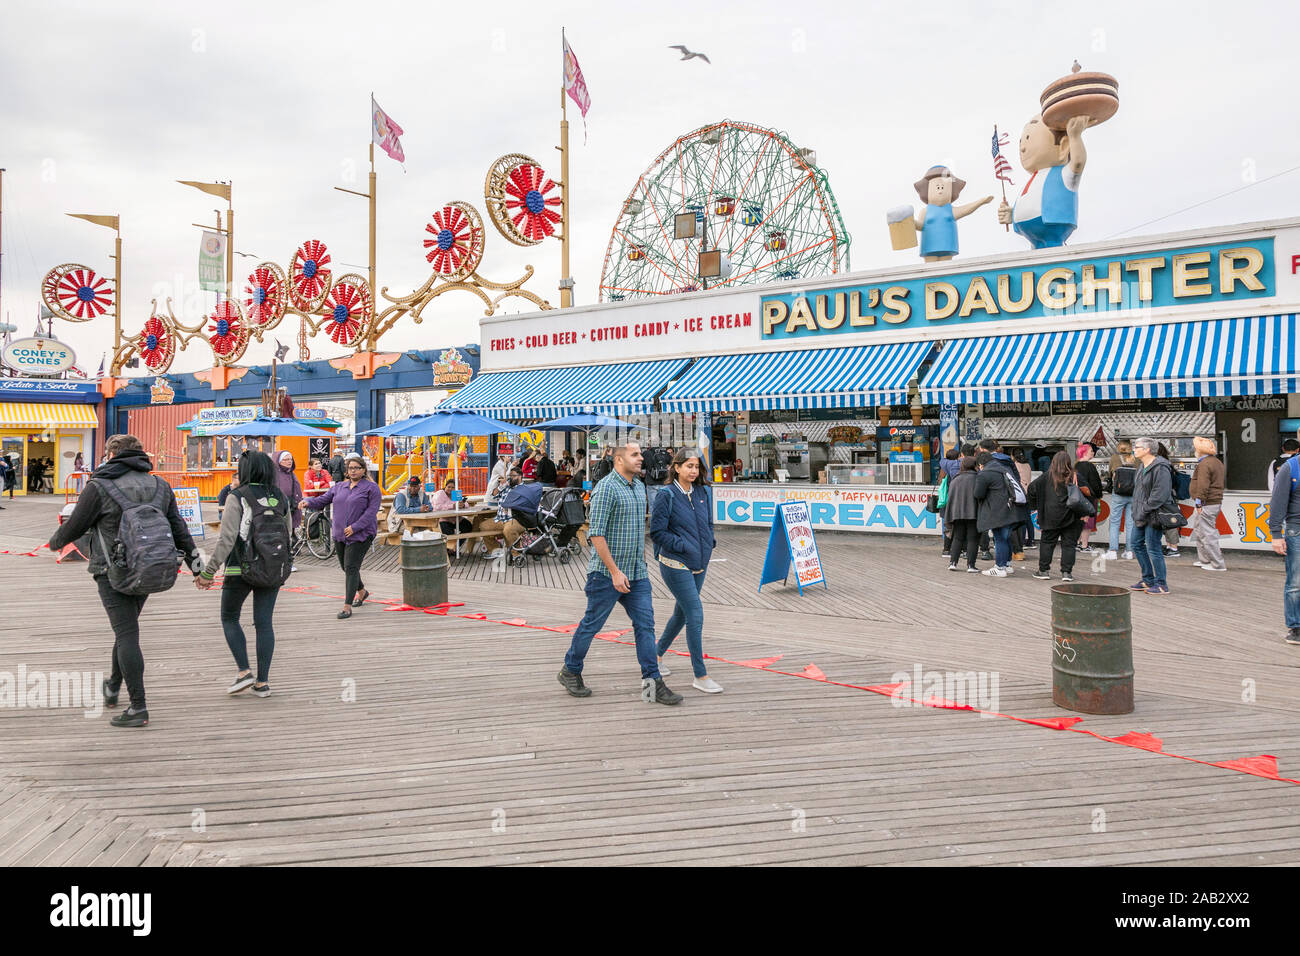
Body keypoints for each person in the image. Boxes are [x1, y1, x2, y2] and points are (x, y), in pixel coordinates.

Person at [47, 434, 202, 728]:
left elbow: (75, 525)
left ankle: (138, 707)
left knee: (127, 633)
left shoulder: (99, 486)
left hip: (111, 571)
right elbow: (180, 530)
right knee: (126, 629)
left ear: (113, 454)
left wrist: (54, 543)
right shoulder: (160, 486)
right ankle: (113, 686)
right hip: (150, 567)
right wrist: (197, 568)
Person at [557, 442, 681, 704]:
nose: (641, 459)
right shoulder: (606, 489)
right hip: (606, 573)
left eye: (639, 454)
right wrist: (614, 572)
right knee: (592, 624)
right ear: (618, 460)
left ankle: (652, 683)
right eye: (635, 455)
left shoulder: (638, 486)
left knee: (645, 626)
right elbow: (596, 534)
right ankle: (571, 669)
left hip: (637, 572)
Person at [195, 450, 288, 699]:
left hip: (239, 567)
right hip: (272, 568)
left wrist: (208, 571)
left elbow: (227, 539)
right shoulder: (280, 496)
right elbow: (289, 534)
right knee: (264, 622)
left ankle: (244, 671)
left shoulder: (238, 496)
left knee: (229, 617)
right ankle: (263, 683)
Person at [650, 449, 720, 693]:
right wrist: (683, 546)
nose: (693, 471)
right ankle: (700, 675)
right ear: (676, 467)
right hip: (674, 562)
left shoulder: (703, 492)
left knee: (681, 614)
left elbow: (709, 523)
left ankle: (656, 656)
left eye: (697, 466)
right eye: (689, 466)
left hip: (700, 562)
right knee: (695, 613)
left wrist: (709, 542)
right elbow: (657, 532)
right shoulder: (666, 495)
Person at [303, 452, 381, 619]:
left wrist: (355, 527)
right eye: (350, 468)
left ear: (363, 469)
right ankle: (362, 591)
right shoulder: (339, 487)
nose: (353, 471)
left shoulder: (371, 488)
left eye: (356, 468)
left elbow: (371, 512)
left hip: (361, 534)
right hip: (339, 533)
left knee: (351, 567)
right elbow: (322, 500)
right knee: (346, 567)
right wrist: (308, 501)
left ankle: (347, 606)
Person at [1028, 452, 1084, 582]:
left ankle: (1044, 570)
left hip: (1049, 516)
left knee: (1047, 543)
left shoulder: (1045, 477)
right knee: (1069, 545)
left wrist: (1035, 507)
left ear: (1053, 462)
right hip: (1071, 516)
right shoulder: (1074, 476)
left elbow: (1031, 489)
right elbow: (1091, 491)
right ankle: (1067, 573)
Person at [1130, 437, 1175, 595]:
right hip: (1141, 514)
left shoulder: (1161, 467)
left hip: (1154, 514)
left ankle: (1161, 584)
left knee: (1153, 547)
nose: (1134, 449)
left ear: (1147, 449)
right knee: (1136, 544)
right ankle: (1148, 579)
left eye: (1137, 447)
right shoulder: (1142, 466)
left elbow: (1160, 494)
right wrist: (1136, 510)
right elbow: (1138, 491)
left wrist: (1144, 508)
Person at [1268, 429, 1300, 644]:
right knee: (1296, 581)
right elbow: (1278, 503)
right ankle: (1296, 627)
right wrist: (1276, 534)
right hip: (1296, 530)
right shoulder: (1291, 466)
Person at [973, 449, 1023, 578]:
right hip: (1011, 509)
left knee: (999, 538)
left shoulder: (985, 474)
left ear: (981, 464)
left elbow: (978, 493)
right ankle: (1007, 565)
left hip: (997, 511)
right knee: (1006, 538)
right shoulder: (1004, 469)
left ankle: (999, 567)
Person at [1188, 436, 1227, 573]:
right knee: (1200, 531)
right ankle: (1205, 560)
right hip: (1211, 502)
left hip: (1206, 503)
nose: (1194, 450)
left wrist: (1199, 502)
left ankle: (1217, 564)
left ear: (1200, 450)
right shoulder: (1216, 461)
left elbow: (1203, 484)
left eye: (1195, 448)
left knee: (1207, 534)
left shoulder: (1205, 464)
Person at [944, 456, 980, 573]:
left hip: (957, 513)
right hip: (973, 513)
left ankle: (953, 563)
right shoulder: (977, 478)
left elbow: (951, 498)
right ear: (975, 465)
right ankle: (971, 565)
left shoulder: (956, 479)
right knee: (973, 539)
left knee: (957, 538)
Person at [1105, 440, 1138, 561]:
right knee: (1131, 523)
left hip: (1118, 493)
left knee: (1114, 522)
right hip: (1133, 493)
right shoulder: (1137, 459)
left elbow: (1109, 474)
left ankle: (1113, 551)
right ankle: (1130, 551)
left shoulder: (1114, 458)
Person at [430, 477, 473, 555]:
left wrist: (463, 505)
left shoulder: (456, 494)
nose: (450, 489)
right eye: (448, 487)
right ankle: (449, 549)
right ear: (445, 487)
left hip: (456, 519)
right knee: (449, 534)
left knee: (468, 526)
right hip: (443, 519)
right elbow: (437, 507)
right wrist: (452, 506)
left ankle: (454, 547)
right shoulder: (440, 493)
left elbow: (467, 504)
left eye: (453, 487)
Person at [1074, 442, 1103, 553]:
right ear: (1085, 453)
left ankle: (1076, 544)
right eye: (1091, 451)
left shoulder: (1076, 465)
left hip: (1077, 499)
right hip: (1089, 499)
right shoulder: (1090, 466)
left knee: (1078, 522)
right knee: (1088, 523)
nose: (1093, 453)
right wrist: (1099, 495)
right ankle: (1084, 545)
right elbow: (1096, 484)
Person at [939, 446, 961, 556]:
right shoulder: (959, 469)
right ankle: (959, 549)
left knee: (948, 526)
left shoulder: (944, 468)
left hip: (946, 502)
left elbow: (940, 481)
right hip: (956, 501)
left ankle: (946, 549)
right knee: (958, 526)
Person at [1011, 448, 1036, 549]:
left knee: (1022, 518)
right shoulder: (1028, 465)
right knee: (1028, 518)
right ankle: (1031, 540)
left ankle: (1022, 540)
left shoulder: (1015, 465)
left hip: (1021, 494)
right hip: (1028, 493)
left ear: (1013, 456)